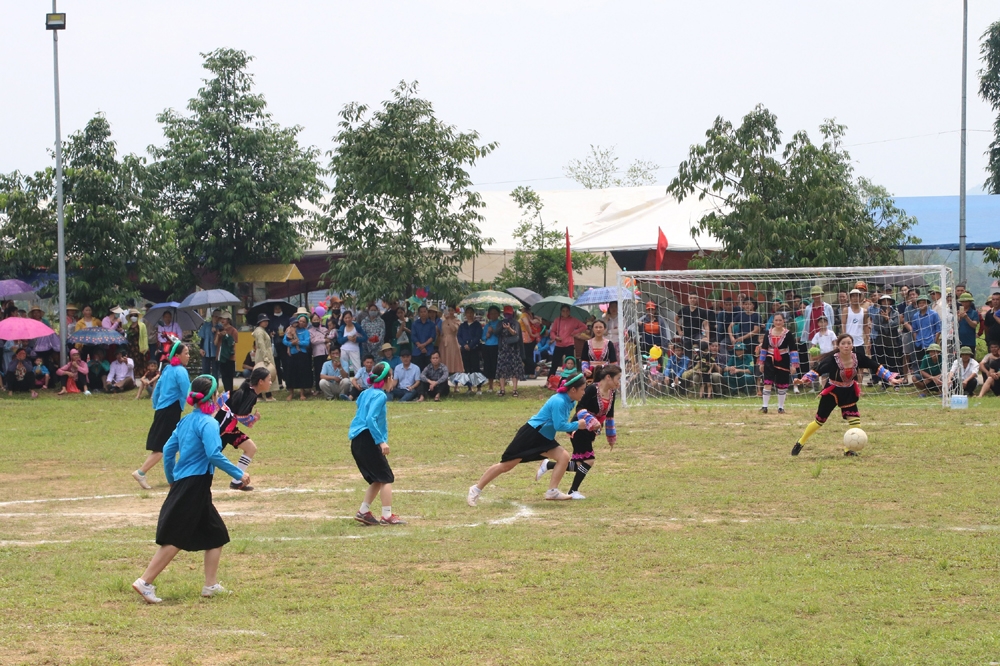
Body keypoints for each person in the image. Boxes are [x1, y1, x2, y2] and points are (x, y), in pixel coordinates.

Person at [132, 374, 250, 604]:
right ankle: (145, 582)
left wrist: (171, 478)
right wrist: (239, 473)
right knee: (176, 536)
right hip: (194, 485)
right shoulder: (209, 423)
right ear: (213, 397)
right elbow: (213, 454)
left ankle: (210, 585)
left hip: (191, 484)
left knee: (216, 534)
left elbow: (167, 451)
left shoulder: (185, 421)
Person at [467, 372, 589, 506]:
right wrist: (578, 425)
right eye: (583, 389)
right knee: (506, 465)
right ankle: (475, 489)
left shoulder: (570, 402)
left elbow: (560, 422)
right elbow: (559, 425)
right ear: (573, 389)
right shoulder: (559, 401)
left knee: (564, 457)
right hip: (531, 434)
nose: (584, 392)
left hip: (544, 437)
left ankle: (552, 491)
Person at [792, 333, 902, 456]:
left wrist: (890, 378)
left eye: (849, 343)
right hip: (832, 392)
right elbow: (817, 371)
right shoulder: (832, 360)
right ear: (838, 346)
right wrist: (802, 380)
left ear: (852, 345)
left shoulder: (858, 357)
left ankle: (848, 450)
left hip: (849, 391)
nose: (846, 346)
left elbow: (875, 366)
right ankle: (800, 442)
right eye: (843, 343)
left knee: (855, 421)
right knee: (819, 421)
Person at [536, 365, 620, 499]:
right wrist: (591, 421)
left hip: (591, 431)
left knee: (579, 465)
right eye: (618, 378)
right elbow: (580, 408)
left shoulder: (612, 393)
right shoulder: (592, 389)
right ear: (608, 378)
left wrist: (611, 437)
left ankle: (548, 464)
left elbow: (609, 415)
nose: (619, 382)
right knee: (589, 460)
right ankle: (573, 491)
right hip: (580, 428)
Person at [348, 361, 405, 525]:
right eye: (391, 377)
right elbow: (370, 419)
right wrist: (381, 442)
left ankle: (363, 511)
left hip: (357, 440)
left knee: (377, 478)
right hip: (368, 439)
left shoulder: (365, 393)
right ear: (386, 378)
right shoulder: (380, 395)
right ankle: (387, 516)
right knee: (386, 477)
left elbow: (360, 409)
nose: (393, 380)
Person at [133, 341, 191, 489]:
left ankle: (173, 478)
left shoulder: (167, 370)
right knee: (162, 448)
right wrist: (203, 405)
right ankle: (141, 472)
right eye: (186, 353)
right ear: (177, 355)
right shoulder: (180, 371)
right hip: (170, 411)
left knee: (170, 447)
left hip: (163, 410)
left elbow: (157, 389)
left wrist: (156, 406)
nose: (188, 356)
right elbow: (188, 393)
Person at [215, 366, 272, 491]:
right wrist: (254, 418)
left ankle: (237, 481)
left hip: (229, 429)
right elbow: (242, 417)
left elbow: (223, 399)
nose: (271, 382)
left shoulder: (247, 391)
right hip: (222, 431)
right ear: (261, 382)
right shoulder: (251, 396)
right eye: (269, 379)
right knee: (207, 459)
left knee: (250, 448)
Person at [758, 313, 798, 413]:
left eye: (780, 320)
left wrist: (794, 365)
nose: (778, 322)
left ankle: (780, 407)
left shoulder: (788, 333)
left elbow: (793, 349)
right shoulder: (768, 332)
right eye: (776, 320)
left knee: (782, 383)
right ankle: (764, 406)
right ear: (773, 321)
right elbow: (764, 348)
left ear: (783, 321)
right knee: (767, 382)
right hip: (769, 359)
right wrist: (761, 362)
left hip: (783, 359)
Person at [903, 294, 941, 365]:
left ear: (927, 303)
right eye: (920, 303)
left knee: (931, 364)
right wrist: (916, 340)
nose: (922, 304)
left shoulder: (934, 314)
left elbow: (938, 330)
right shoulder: (915, 316)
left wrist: (934, 341)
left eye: (924, 302)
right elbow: (914, 330)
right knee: (920, 364)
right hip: (919, 344)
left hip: (931, 344)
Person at [496, 305, 525, 397]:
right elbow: (496, 333)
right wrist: (502, 327)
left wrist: (509, 328)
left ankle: (514, 390)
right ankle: (502, 389)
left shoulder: (516, 323)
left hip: (513, 349)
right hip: (503, 349)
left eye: (509, 313)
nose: (507, 315)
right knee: (502, 369)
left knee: (514, 369)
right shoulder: (501, 322)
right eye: (505, 313)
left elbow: (515, 334)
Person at [283, 312, 312, 401]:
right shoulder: (290, 329)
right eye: (300, 321)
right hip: (292, 354)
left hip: (302, 354)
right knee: (291, 373)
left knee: (302, 373)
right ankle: (291, 393)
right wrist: (292, 343)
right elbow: (284, 341)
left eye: (304, 322)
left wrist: (298, 342)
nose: (301, 323)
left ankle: (302, 393)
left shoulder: (306, 332)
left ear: (306, 323)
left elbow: (307, 342)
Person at [251, 313, 276, 401]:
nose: (266, 323)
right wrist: (265, 356)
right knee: (263, 373)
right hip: (263, 354)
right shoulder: (259, 331)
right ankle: (261, 395)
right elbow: (261, 344)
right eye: (263, 321)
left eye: (266, 321)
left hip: (266, 352)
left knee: (267, 374)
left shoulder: (262, 330)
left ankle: (267, 394)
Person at [267, 303, 291, 390]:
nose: (277, 309)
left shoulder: (286, 318)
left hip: (284, 344)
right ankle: (279, 383)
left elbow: (290, 327)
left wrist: (287, 332)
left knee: (286, 364)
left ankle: (288, 383)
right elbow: (267, 329)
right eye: (275, 308)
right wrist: (270, 333)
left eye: (278, 308)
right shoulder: (270, 318)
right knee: (276, 364)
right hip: (274, 344)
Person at [215, 311, 238, 393]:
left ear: (228, 319)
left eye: (224, 318)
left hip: (230, 357)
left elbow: (234, 343)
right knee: (224, 377)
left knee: (229, 377)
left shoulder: (233, 330)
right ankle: (226, 393)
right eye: (221, 318)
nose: (222, 320)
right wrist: (218, 334)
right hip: (221, 356)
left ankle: (230, 393)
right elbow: (215, 343)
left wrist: (226, 336)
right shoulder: (219, 329)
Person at [438, 305, 465, 375]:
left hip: (452, 341)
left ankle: (453, 372)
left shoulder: (457, 320)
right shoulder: (443, 322)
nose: (450, 312)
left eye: (452, 310)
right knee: (444, 358)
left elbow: (454, 329)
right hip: (444, 342)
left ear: (455, 311)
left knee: (452, 357)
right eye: (449, 310)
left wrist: (449, 320)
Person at [480, 306, 502, 392]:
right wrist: (487, 335)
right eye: (491, 313)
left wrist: (493, 331)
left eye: (495, 313)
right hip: (487, 347)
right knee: (488, 366)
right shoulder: (487, 325)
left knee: (496, 365)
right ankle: (490, 386)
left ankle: (501, 386)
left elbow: (501, 335)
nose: (493, 315)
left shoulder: (500, 324)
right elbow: (483, 337)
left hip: (497, 346)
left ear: (498, 314)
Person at [457, 306, 483, 377]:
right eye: (468, 313)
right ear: (465, 314)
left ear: (473, 314)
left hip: (474, 348)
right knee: (466, 367)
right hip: (464, 349)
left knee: (475, 367)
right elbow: (459, 336)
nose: (469, 314)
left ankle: (477, 384)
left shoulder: (477, 325)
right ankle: (469, 384)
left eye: (471, 313)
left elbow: (478, 336)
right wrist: (464, 345)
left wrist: (470, 345)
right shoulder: (462, 325)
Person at [411, 305, 437, 371]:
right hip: (417, 351)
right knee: (417, 370)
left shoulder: (431, 324)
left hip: (428, 351)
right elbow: (413, 336)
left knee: (429, 370)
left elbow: (432, 337)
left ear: (427, 312)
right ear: (419, 313)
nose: (423, 313)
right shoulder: (415, 324)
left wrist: (424, 345)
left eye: (424, 311)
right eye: (421, 312)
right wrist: (421, 346)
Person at [308, 312, 329, 394]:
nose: (316, 321)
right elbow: (313, 341)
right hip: (317, 353)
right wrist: (324, 340)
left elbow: (329, 338)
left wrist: (326, 340)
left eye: (317, 319)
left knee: (327, 370)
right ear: (311, 321)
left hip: (326, 352)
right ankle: (318, 388)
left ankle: (327, 388)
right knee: (318, 371)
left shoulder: (324, 329)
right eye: (314, 320)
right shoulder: (310, 331)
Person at [198, 309, 222, 379]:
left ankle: (215, 387)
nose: (216, 319)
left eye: (218, 317)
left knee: (215, 372)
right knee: (205, 371)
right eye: (215, 317)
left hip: (215, 352)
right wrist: (201, 348)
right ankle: (205, 387)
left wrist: (216, 331)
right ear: (212, 316)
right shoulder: (206, 325)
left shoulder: (220, 327)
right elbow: (202, 338)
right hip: (206, 351)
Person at [519, 305, 540, 378]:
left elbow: (527, 324)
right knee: (529, 355)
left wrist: (531, 333)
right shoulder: (531, 315)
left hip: (525, 337)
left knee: (523, 356)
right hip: (532, 339)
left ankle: (536, 366)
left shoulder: (524, 315)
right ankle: (530, 373)